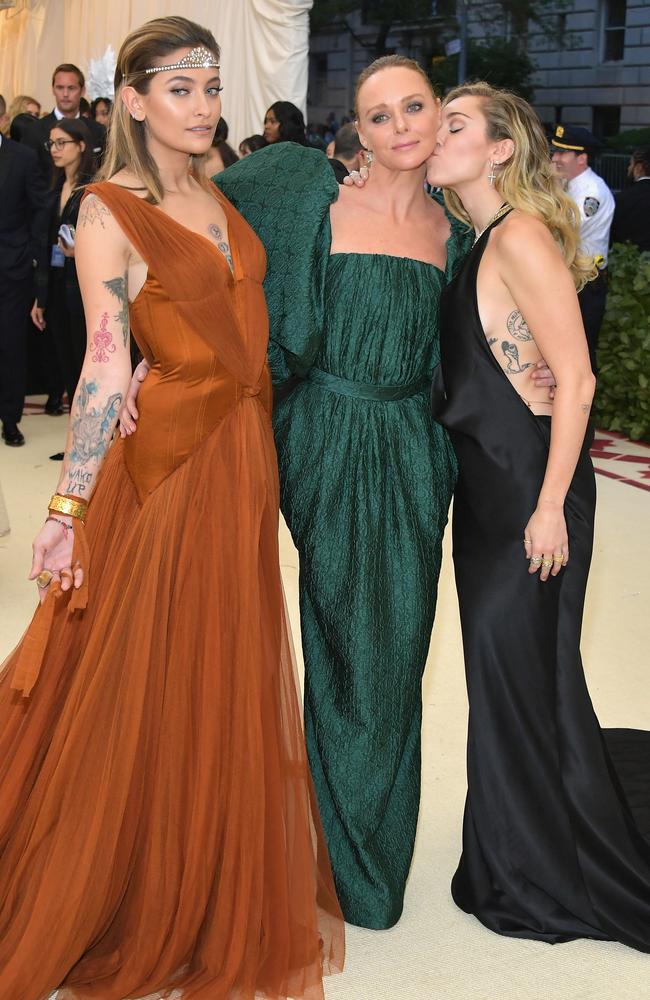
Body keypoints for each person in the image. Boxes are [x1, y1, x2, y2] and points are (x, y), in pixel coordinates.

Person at [123, 54, 555, 931]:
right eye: (378, 115)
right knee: (319, 635)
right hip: (319, 435)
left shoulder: (459, 231)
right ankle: (304, 848)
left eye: (415, 109)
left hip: (416, 450)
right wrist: (146, 351)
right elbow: (203, 241)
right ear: (355, 129)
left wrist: (535, 369)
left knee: (392, 651)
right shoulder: (305, 195)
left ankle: (358, 852)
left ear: (441, 115)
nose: (399, 128)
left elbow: (492, 336)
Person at [0, 16, 343, 997]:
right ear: (134, 101)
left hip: (244, 453)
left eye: (211, 85)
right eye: (179, 88)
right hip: (170, 469)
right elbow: (105, 363)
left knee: (218, 665)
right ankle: (125, 886)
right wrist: (67, 505)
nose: (202, 105)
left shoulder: (218, 188)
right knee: (140, 674)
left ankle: (195, 873)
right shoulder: (112, 205)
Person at [430, 81, 650, 952]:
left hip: (530, 492)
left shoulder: (518, 235)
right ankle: (511, 849)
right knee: (508, 677)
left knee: (523, 675)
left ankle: (539, 868)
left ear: (499, 150)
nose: (433, 135)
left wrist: (552, 505)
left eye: (453, 125)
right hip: (489, 491)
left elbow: (580, 378)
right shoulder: (474, 237)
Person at [31, 119, 95, 436]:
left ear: (81, 145)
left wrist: (81, 249)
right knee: (66, 362)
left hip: (84, 289)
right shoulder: (55, 185)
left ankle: (92, 440)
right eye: (51, 144)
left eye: (61, 143)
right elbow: (45, 242)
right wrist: (40, 298)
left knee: (87, 366)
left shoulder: (94, 187)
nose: (54, 150)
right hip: (56, 285)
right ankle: (75, 441)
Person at [0, 94, 49, 447]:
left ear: (3, 118)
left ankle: (10, 419)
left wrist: (32, 259)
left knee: (10, 347)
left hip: (11, 271)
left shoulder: (24, 158)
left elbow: (38, 213)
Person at [551, 125, 614, 372]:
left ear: (582, 158)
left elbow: (561, 229)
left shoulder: (592, 192)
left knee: (581, 353)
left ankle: (583, 409)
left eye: (562, 153)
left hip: (586, 284)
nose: (555, 158)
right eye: (555, 152)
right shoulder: (569, 186)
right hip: (572, 279)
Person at [23, 63, 106, 180]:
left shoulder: (98, 131)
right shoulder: (33, 132)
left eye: (71, 88)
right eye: (60, 88)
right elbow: (27, 178)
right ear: (53, 90)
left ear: (82, 91)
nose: (65, 94)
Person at [610, 146, 650, 252]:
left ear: (638, 168)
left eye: (630, 164)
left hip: (627, 262)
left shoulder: (621, 198)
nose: (628, 169)